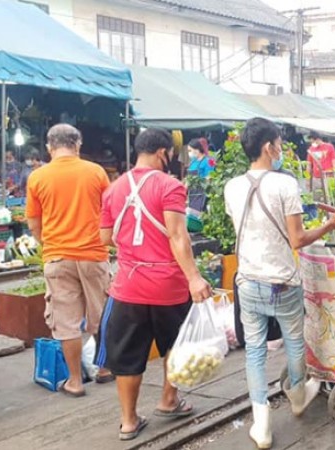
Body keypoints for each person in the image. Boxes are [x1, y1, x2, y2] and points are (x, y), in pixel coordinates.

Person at [224, 118, 335, 449]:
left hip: (248, 281)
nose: (280, 150)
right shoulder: (284, 185)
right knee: (294, 341)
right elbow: (297, 240)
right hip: (282, 281)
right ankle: (296, 396)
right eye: (279, 144)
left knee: (254, 350)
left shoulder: (232, 187)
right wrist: (329, 224)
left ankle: (261, 424)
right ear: (268, 147)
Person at [97, 128, 212, 441]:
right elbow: (178, 236)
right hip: (168, 286)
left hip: (128, 287)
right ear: (163, 153)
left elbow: (105, 238)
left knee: (128, 355)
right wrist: (194, 277)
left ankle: (129, 421)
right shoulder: (170, 185)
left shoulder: (114, 187)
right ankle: (168, 399)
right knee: (175, 345)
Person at [26, 124, 114, 398]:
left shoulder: (37, 177)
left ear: (49, 147)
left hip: (57, 256)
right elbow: (108, 214)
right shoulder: (96, 172)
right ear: (78, 144)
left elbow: (33, 223)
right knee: (100, 314)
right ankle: (104, 368)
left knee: (65, 321)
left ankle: (75, 381)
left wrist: (50, 244)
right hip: (93, 253)